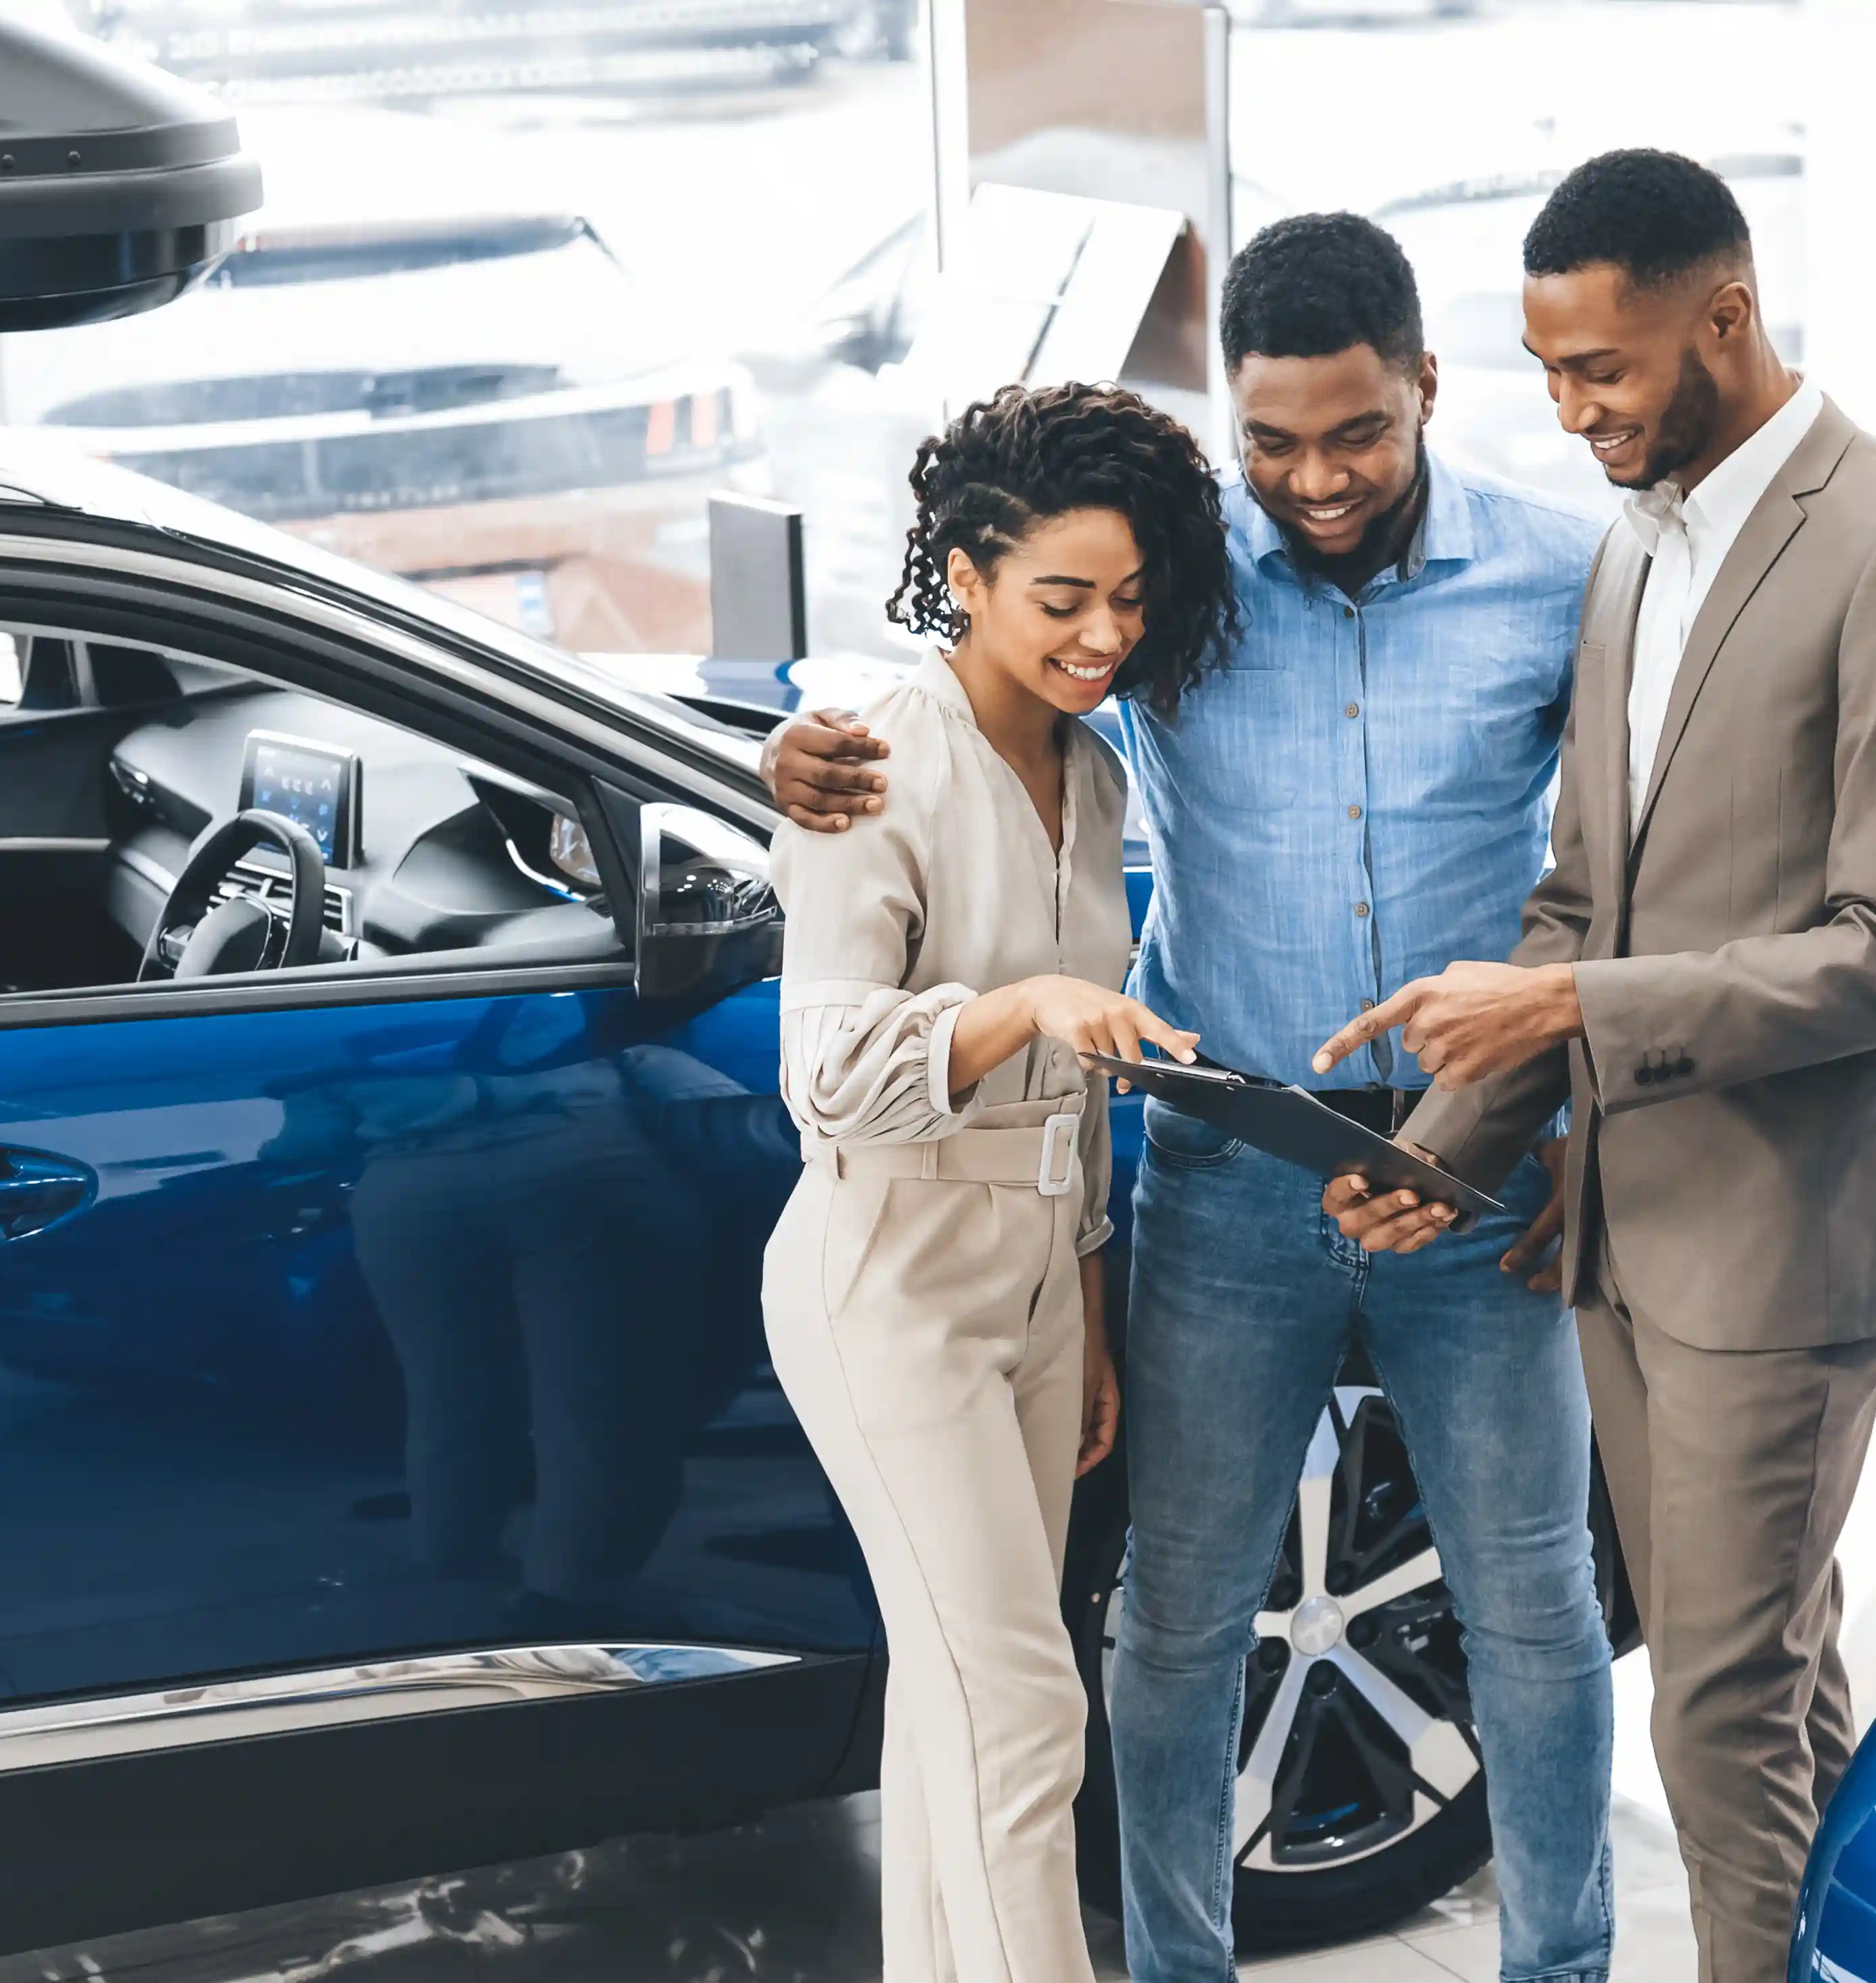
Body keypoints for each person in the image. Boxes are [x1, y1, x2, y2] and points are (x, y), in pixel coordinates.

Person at [768, 216, 1616, 1983]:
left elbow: (1615, 870)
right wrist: (788, 736)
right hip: (1231, 1167)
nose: (1313, 478)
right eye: (1272, 441)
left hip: (1475, 1166)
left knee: (1536, 1609)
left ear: (1425, 391)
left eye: (1356, 433)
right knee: (1168, 1618)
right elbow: (962, 656)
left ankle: (1564, 1967)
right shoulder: (1166, 573)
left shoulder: (1562, 572)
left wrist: (1555, 1120)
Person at [1319, 150, 1876, 1983]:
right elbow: (1582, 897)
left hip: (1780, 1245)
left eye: (1604, 370)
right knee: (1772, 1679)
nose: (1572, 416)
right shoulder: (1641, 544)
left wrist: (1574, 1018)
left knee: (1715, 1712)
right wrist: (1446, 1144)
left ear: (1725, 314)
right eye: (1547, 374)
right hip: (1615, 1229)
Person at [766, 380, 1227, 1983]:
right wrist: (1017, 1007)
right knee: (1023, 1698)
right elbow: (818, 1072)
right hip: (886, 1271)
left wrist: (1085, 1308)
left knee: (960, 1692)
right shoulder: (867, 762)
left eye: (1127, 595)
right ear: (960, 571)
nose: (1101, 632)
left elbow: (1081, 1097)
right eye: (1058, 598)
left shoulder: (1096, 776)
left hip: (1037, 1277)